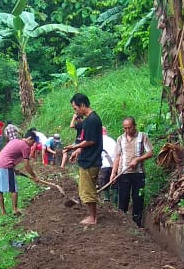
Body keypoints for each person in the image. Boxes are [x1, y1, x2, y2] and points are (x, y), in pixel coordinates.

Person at [63, 93, 103, 225]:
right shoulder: (88, 120)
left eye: (75, 108)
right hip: (87, 159)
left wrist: (75, 146)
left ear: (83, 105)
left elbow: (91, 141)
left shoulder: (92, 120)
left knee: (88, 190)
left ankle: (93, 218)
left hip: (91, 161)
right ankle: (91, 216)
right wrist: (78, 150)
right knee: (85, 188)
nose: (76, 111)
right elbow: (86, 140)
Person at [111, 116, 154, 227]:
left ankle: (137, 225)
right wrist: (113, 173)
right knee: (123, 199)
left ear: (134, 126)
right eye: (125, 128)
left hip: (138, 174)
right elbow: (117, 157)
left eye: (129, 128)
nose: (127, 130)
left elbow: (150, 153)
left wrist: (138, 159)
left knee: (138, 199)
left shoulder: (142, 136)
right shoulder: (120, 139)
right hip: (123, 173)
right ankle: (123, 224)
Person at [0, 130, 39, 215]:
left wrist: (13, 168)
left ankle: (3, 212)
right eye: (33, 142)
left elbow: (9, 153)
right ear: (30, 138)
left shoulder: (14, 140)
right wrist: (34, 176)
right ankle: (15, 210)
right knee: (14, 189)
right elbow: (26, 165)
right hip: (6, 165)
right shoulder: (25, 146)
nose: (32, 144)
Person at [98, 127, 118, 202]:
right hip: (115, 165)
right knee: (115, 184)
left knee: (104, 182)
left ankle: (106, 201)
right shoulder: (111, 140)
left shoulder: (99, 140)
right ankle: (115, 205)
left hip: (106, 165)